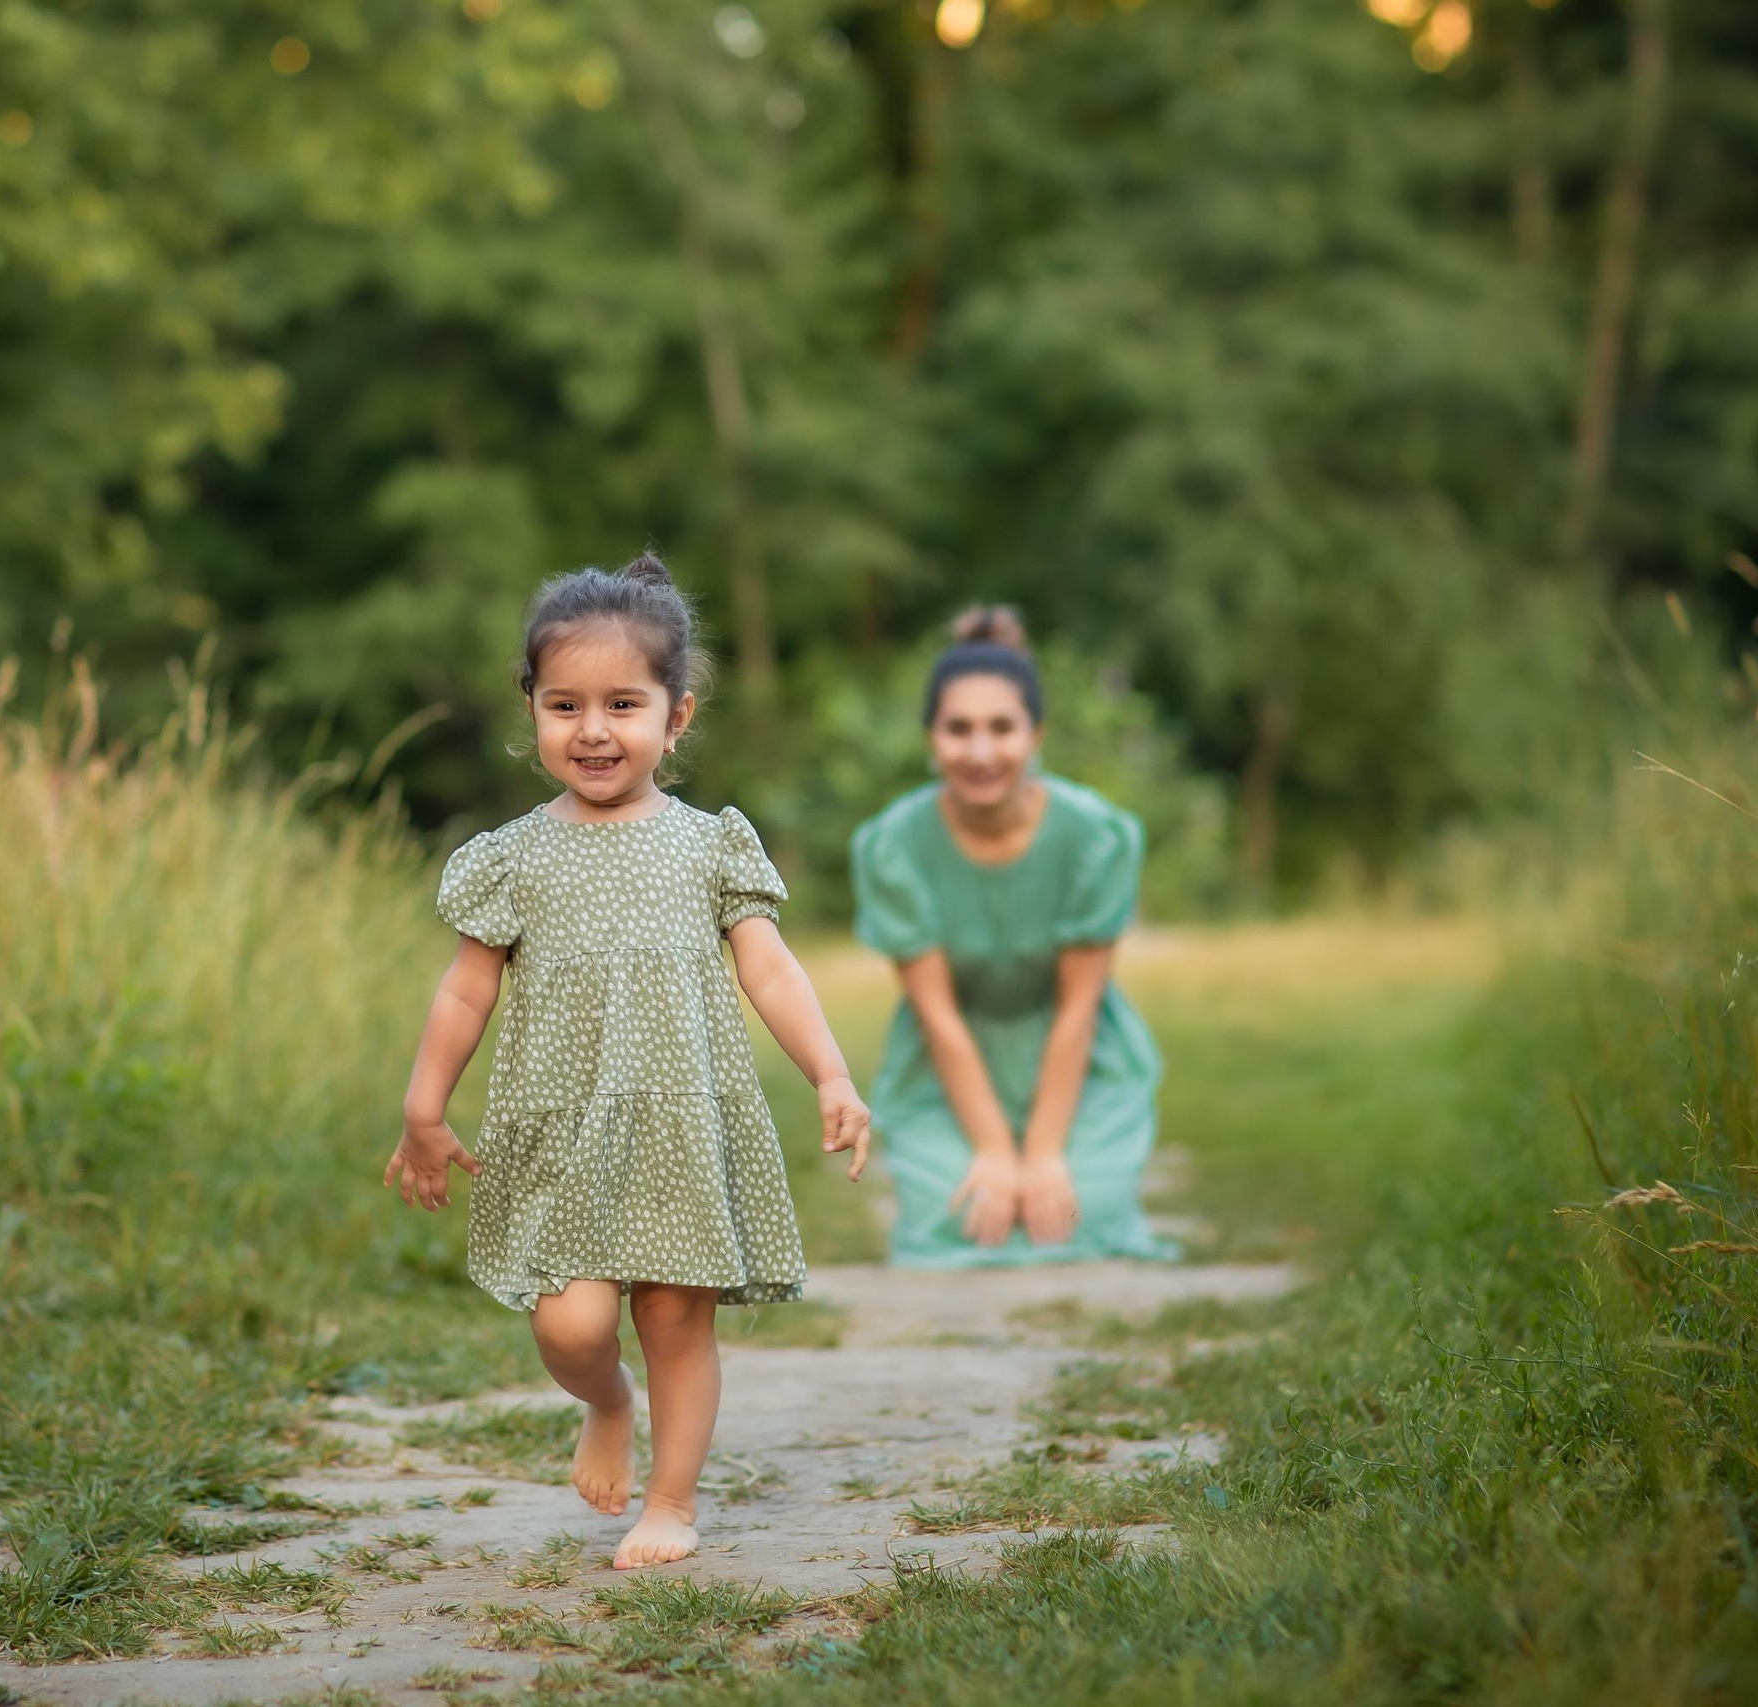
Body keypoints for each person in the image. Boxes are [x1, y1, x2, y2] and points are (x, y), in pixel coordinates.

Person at [385, 554, 871, 1571]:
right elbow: (465, 989)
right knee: (569, 1324)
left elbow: (771, 972)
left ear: (676, 715)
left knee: (675, 1321)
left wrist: (830, 1073)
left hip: (680, 1120)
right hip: (561, 1122)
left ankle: (673, 1501)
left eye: (622, 704)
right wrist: (424, 1107)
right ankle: (606, 1401)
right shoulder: (511, 856)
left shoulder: (709, 846)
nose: (593, 729)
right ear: (532, 709)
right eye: (564, 705)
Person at [849, 606, 1175, 1267]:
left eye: (1002, 727)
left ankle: (1073, 1159)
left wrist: (1045, 1153)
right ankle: (978, 1156)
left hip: (1079, 1061)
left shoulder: (1097, 836)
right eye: (958, 728)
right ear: (931, 737)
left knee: (1086, 1222)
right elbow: (937, 1015)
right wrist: (995, 1150)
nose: (980, 752)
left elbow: (1079, 1005)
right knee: (959, 1226)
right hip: (946, 1070)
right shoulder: (892, 847)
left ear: (1037, 733)